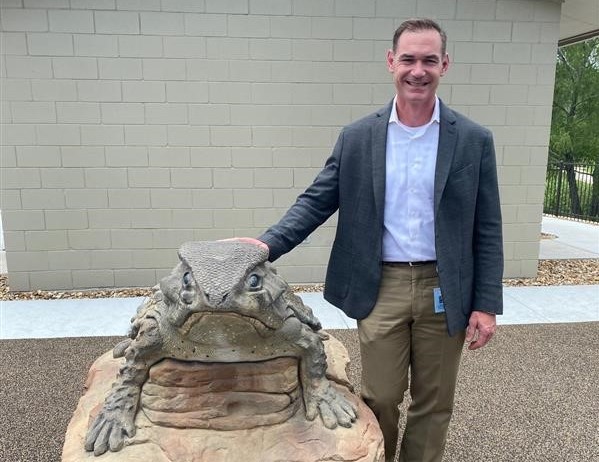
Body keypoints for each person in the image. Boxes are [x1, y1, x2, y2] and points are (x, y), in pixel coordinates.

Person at [246, 18, 504, 462]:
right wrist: (266, 245)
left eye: (428, 60)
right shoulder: (359, 137)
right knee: (380, 396)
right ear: (391, 63)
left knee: (434, 401)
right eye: (408, 59)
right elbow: (316, 201)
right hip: (380, 284)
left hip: (445, 288)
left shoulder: (473, 141)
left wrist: (486, 302)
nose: (417, 70)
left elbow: (488, 226)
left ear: (445, 64)